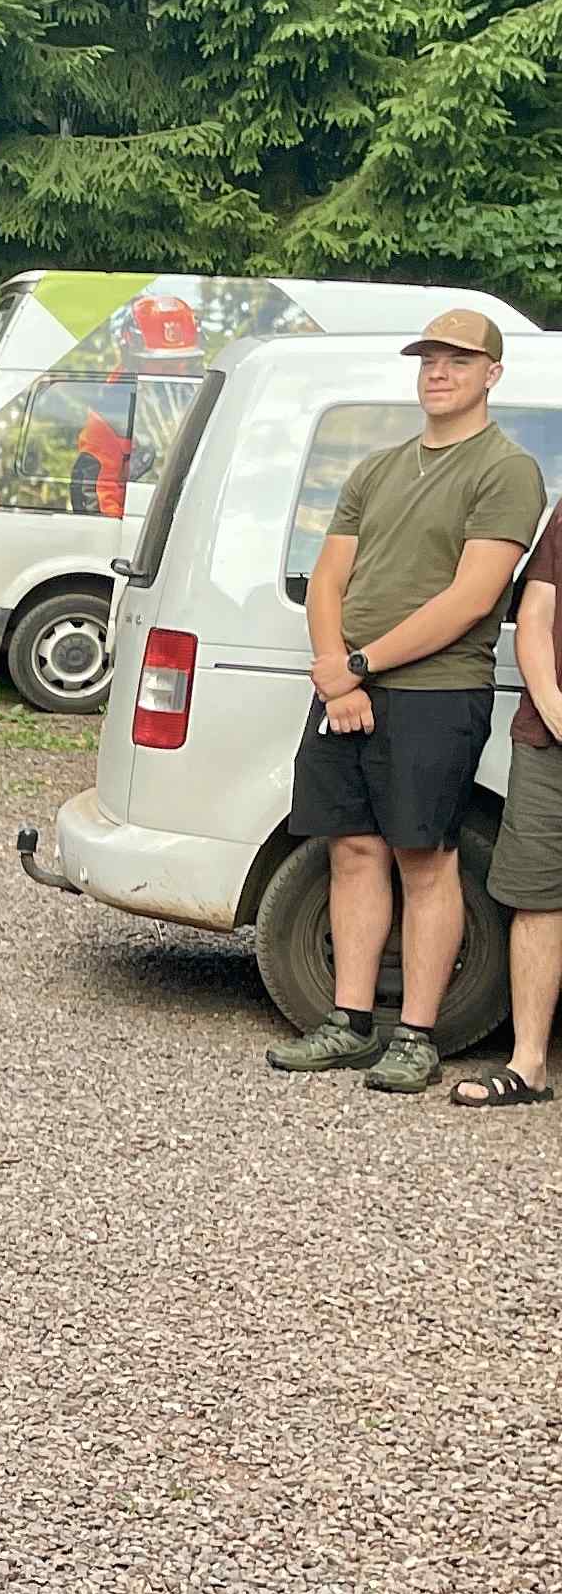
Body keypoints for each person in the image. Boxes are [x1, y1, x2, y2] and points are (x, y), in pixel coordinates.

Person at [266, 307, 544, 1097]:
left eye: (458, 360)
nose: (438, 372)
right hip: (348, 686)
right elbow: (329, 578)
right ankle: (350, 1023)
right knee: (351, 850)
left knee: (426, 858)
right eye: (428, 359)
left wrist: (358, 664)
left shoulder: (506, 470)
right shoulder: (377, 468)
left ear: (492, 374)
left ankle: (417, 1036)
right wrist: (336, 671)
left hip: (436, 692)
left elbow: (472, 597)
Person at [461, 493, 562, 1112]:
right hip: (549, 740)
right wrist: (553, 708)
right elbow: (536, 614)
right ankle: (529, 1065)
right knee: (538, 896)